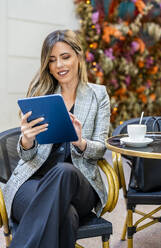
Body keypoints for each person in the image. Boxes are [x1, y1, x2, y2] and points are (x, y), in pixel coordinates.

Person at [3, 29, 110, 248]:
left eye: (65, 57)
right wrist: (27, 140)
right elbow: (27, 154)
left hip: (79, 183)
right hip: (33, 179)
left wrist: (81, 143)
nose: (59, 65)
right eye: (52, 60)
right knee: (67, 216)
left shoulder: (98, 96)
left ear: (78, 58)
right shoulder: (39, 94)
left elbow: (100, 147)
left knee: (63, 171)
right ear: (47, 66)